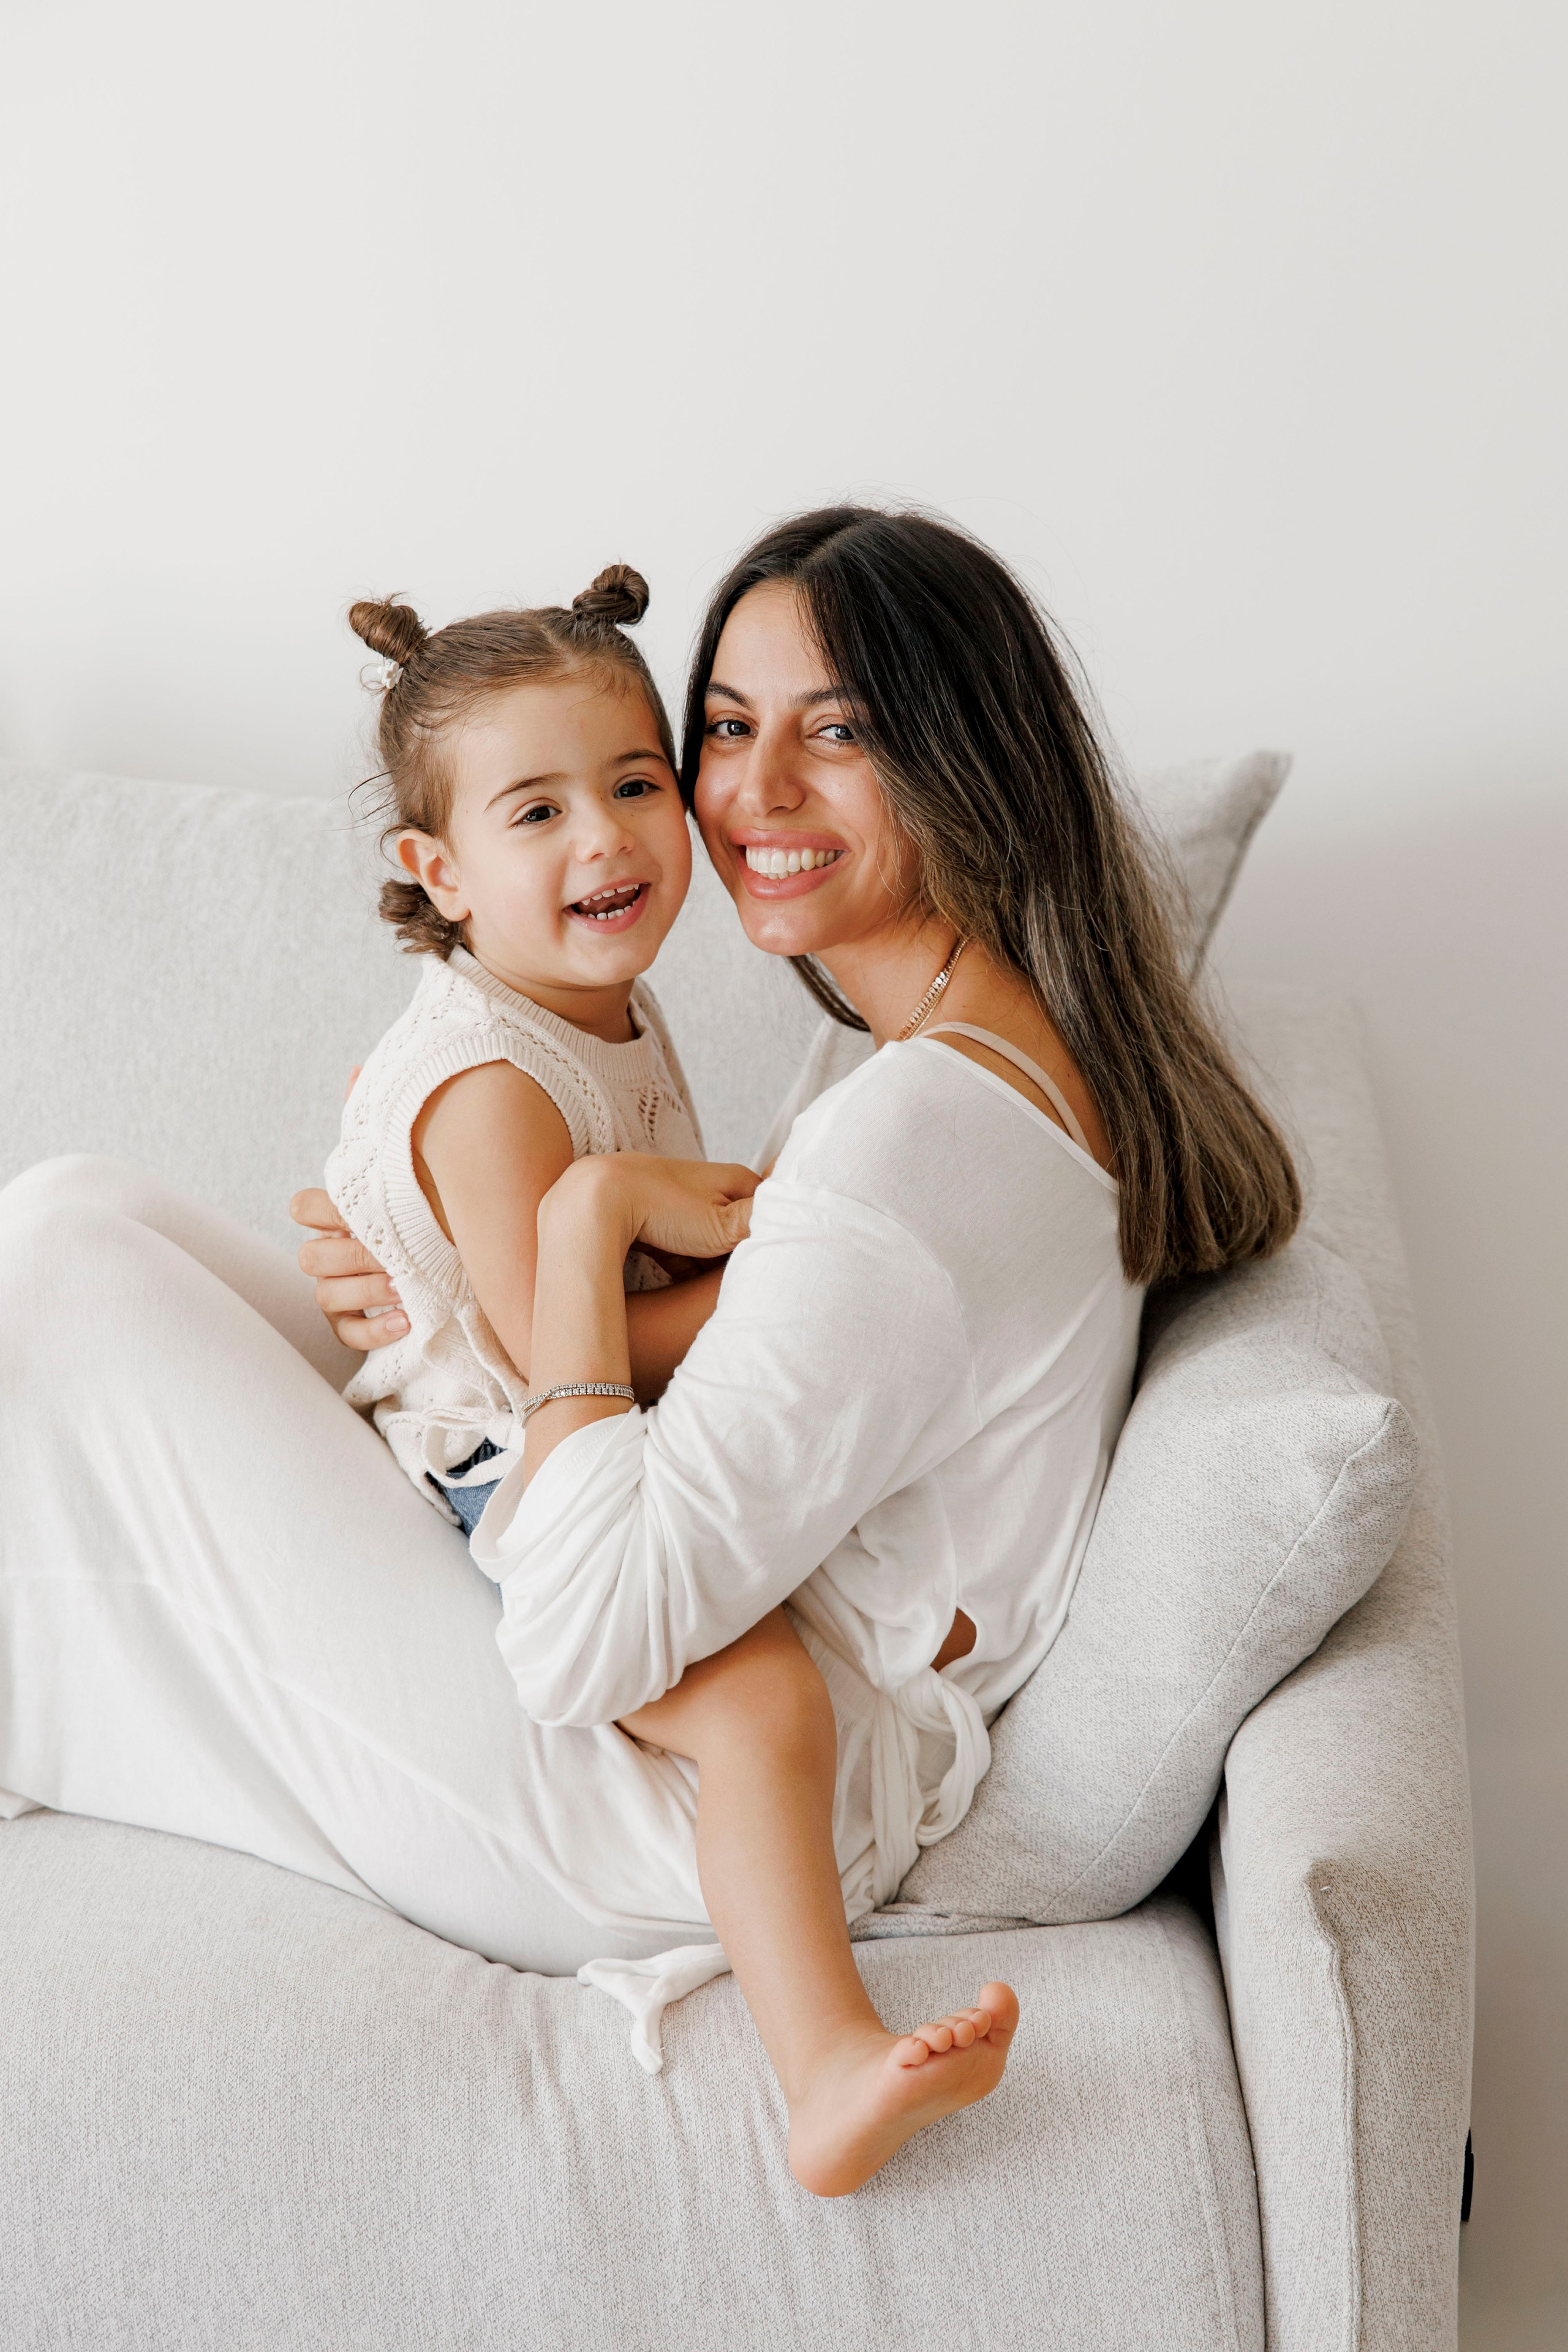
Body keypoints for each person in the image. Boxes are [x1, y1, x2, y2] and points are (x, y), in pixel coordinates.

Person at [0, 505, 1298, 2202]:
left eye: (836, 730)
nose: (747, 795)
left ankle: (815, 2060)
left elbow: (582, 1637)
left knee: (58, 1262)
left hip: (659, 1782)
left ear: (966, 757)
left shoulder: (908, 1151)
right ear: (440, 867)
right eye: (730, 731)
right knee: (96, 1216)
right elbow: (765, 1349)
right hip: (708, 1651)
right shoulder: (968, 1076)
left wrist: (577, 1242)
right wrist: (441, 1286)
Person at [317, 562, 994, 2185]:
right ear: (442, 874)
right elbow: (559, 1341)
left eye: (632, 784)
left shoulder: (604, 1004)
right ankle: (824, 2068)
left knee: (841, 1529)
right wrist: (785, 1255)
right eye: (535, 813)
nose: (607, 839)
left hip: (592, 1408)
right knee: (760, 1700)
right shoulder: (493, 1080)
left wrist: (758, 1251)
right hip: (500, 1450)